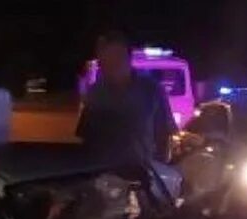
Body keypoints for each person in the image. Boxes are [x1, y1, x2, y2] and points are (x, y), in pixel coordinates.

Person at [76, 31, 177, 164]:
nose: (110, 66)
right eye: (105, 62)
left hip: (142, 176)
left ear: (128, 59)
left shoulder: (152, 90)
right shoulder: (96, 93)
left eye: (116, 59)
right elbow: (86, 138)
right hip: (101, 176)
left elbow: (164, 137)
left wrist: (160, 173)